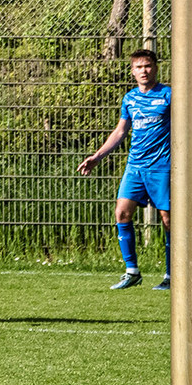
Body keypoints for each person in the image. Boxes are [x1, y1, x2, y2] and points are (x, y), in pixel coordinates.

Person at [79, 48, 172, 290]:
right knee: (121, 213)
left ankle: (172, 275)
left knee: (168, 219)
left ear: (156, 68)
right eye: (139, 67)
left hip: (162, 166)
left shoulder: (169, 95)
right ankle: (132, 271)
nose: (144, 71)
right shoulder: (129, 98)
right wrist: (97, 156)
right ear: (132, 71)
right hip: (135, 166)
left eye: (148, 66)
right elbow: (121, 131)